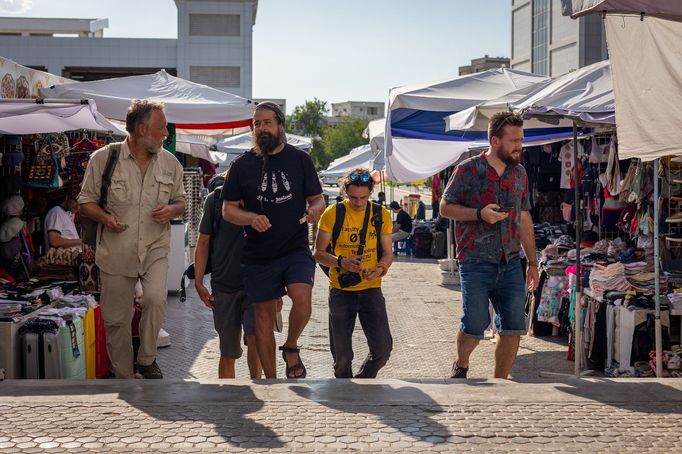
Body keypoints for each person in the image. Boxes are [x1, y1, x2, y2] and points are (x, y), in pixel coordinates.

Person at [79, 99, 186, 379]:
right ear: (141, 129)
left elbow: (181, 202)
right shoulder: (103, 159)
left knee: (155, 299)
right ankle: (124, 376)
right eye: (161, 129)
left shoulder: (170, 163)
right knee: (116, 320)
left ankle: (147, 358)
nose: (166, 134)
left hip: (154, 246)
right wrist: (106, 219)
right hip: (116, 250)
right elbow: (85, 202)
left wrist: (171, 210)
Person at [222, 101, 325, 379]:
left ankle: (291, 346)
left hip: (294, 247)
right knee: (263, 319)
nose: (262, 128)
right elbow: (228, 209)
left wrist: (316, 209)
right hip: (258, 255)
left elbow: (317, 198)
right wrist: (250, 218)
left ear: (280, 125)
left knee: (302, 297)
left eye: (267, 122)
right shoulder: (241, 165)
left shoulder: (300, 160)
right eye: (257, 124)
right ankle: (272, 382)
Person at [440, 111, 538, 379]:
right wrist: (478, 214)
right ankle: (462, 363)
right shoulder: (468, 169)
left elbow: (525, 219)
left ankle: (500, 382)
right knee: (474, 323)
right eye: (513, 140)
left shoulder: (520, 174)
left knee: (514, 326)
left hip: (510, 262)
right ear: (495, 140)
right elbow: (445, 207)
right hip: (475, 261)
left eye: (521, 139)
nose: (519, 145)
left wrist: (532, 262)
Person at [314, 168, 394, 378]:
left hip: (371, 289)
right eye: (353, 197)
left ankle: (362, 382)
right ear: (344, 192)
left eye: (363, 197)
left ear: (371, 193)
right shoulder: (333, 213)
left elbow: (387, 254)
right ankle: (346, 395)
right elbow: (318, 253)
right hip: (341, 290)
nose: (358, 203)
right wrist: (341, 262)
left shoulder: (380, 214)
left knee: (383, 350)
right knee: (342, 358)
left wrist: (379, 269)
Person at [194, 173, 261, 379]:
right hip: (224, 284)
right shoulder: (215, 200)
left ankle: (259, 387)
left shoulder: (262, 199)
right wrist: (197, 282)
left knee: (257, 340)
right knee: (228, 350)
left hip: (258, 284)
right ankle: (226, 397)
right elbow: (203, 241)